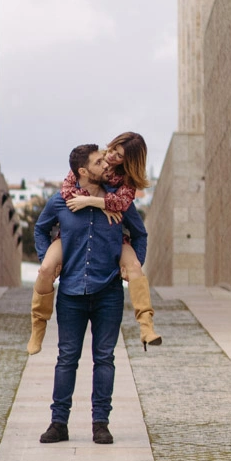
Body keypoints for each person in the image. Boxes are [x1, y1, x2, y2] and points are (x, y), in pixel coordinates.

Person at [34, 143, 148, 444]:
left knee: (104, 358)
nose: (106, 166)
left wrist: (133, 266)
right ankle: (58, 423)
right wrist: (48, 259)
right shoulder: (61, 201)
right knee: (66, 358)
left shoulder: (119, 203)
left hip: (108, 291)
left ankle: (100, 423)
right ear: (83, 171)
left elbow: (140, 234)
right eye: (99, 162)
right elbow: (40, 229)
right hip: (71, 293)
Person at [26, 132, 161, 354]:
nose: (111, 158)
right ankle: (37, 327)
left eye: (120, 157)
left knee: (136, 267)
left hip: (113, 239)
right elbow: (69, 189)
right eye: (113, 151)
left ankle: (146, 327)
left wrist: (98, 202)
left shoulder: (125, 182)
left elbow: (124, 208)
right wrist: (92, 200)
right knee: (46, 268)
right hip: (70, 236)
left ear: (129, 163)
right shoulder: (94, 161)